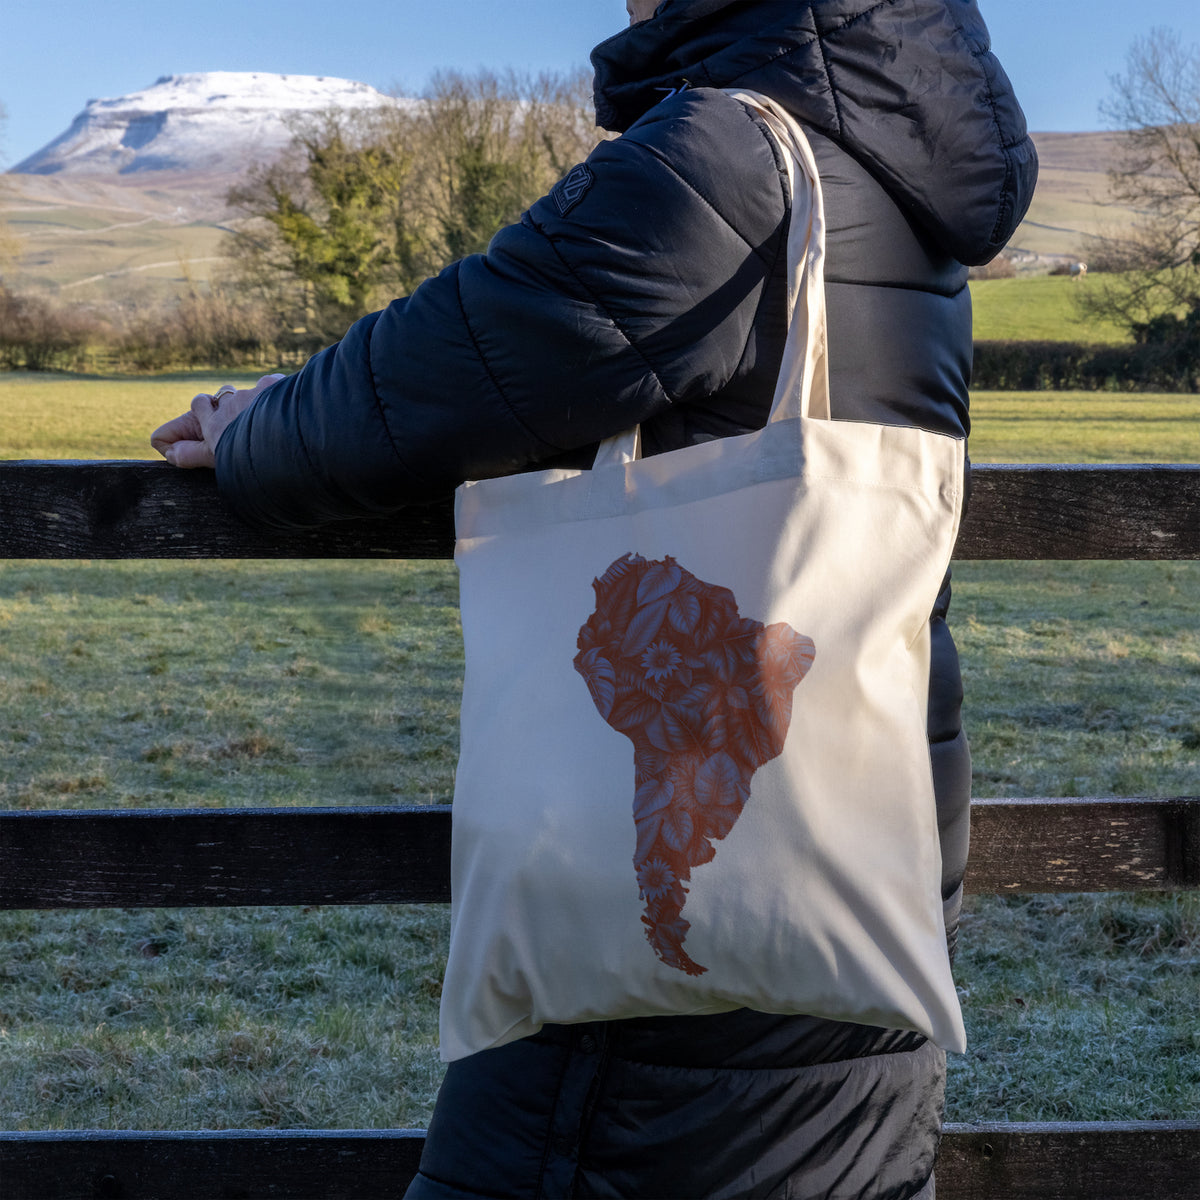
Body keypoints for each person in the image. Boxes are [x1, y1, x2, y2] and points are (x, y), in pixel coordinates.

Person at [153, 1, 1036, 1195]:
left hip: (684, 948)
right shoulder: (891, 148)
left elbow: (453, 363)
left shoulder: (725, 156)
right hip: (863, 854)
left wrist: (258, 424)